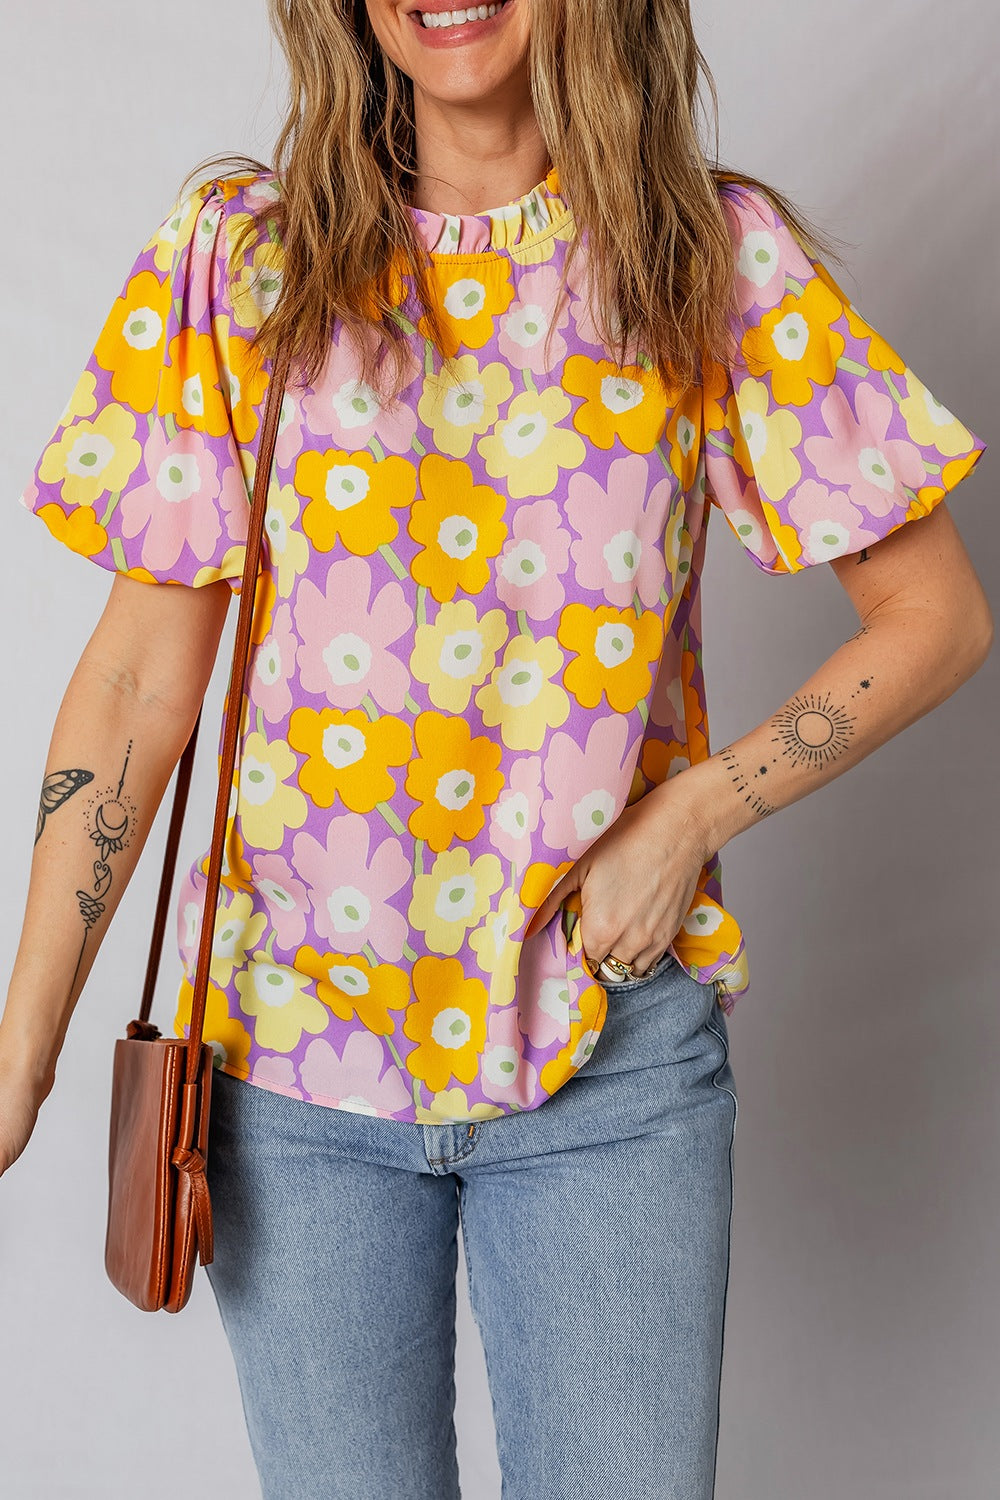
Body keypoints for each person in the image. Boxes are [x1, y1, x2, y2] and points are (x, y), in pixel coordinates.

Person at [1, 0, 991, 1495]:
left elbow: (936, 613)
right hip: (291, 1079)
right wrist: (23, 1051)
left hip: (608, 1072)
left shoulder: (707, 263)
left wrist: (687, 819)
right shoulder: (241, 262)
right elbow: (143, 679)